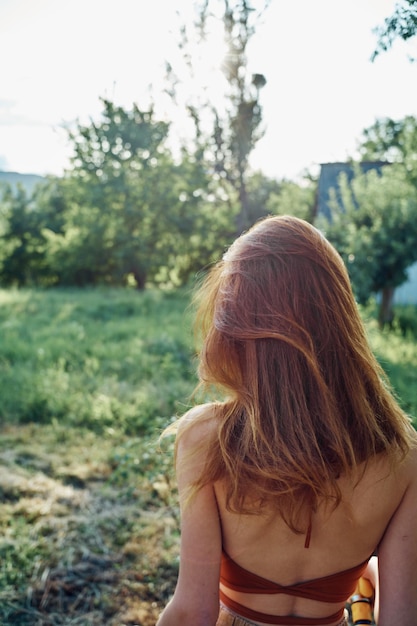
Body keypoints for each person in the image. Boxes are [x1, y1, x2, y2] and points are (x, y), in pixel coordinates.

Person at [156, 215, 417, 626]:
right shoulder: (403, 456)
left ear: (237, 325)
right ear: (342, 319)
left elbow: (193, 612)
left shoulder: (206, 440)